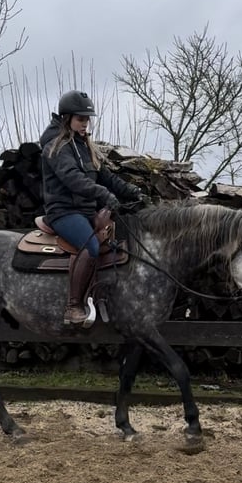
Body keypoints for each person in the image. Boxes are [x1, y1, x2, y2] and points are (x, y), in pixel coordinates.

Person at [40, 90, 143, 325]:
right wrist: (103, 194)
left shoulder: (85, 146)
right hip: (64, 211)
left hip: (86, 211)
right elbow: (73, 178)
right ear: (67, 119)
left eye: (87, 119)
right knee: (91, 246)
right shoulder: (55, 148)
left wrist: (131, 191)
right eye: (80, 119)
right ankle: (73, 306)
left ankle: (101, 298)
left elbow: (105, 176)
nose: (85, 124)